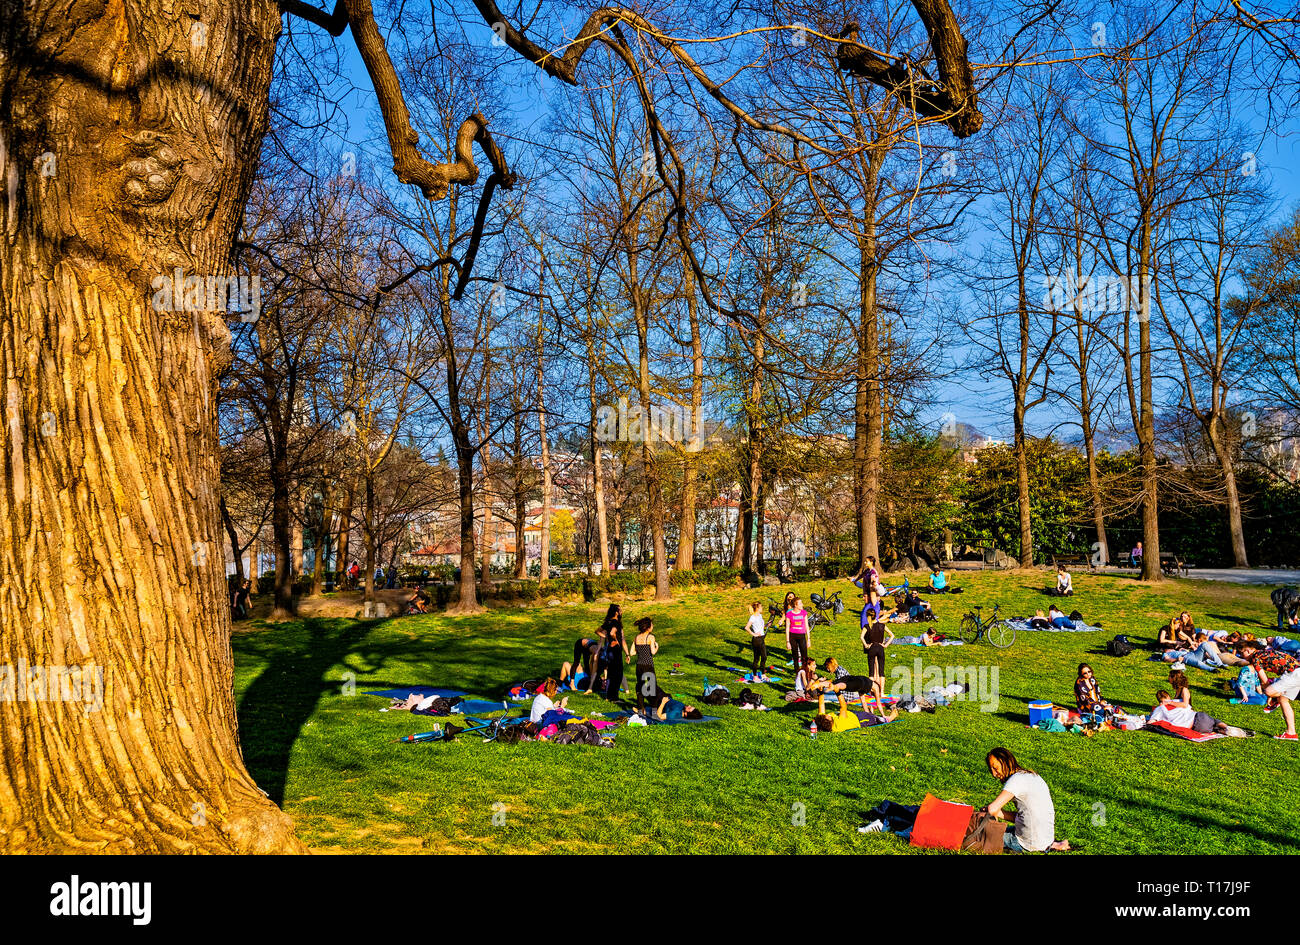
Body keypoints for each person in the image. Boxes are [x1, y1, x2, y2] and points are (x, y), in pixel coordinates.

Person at [982, 748, 1069, 852]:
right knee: (1000, 829)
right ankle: (1053, 845)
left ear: (1006, 762)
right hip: (1045, 838)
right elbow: (1025, 816)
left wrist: (989, 809)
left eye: (995, 768)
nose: (994, 774)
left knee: (984, 835)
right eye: (990, 769)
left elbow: (992, 809)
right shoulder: (1031, 775)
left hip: (1029, 842)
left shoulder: (1015, 780)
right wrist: (999, 812)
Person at [1237, 640, 1300, 740]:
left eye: (1241, 653)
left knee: (1269, 691)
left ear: (1248, 651)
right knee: (1283, 700)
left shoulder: (1255, 657)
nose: (1241, 656)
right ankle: (1291, 733)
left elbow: (1264, 680)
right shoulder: (1263, 653)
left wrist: (1270, 695)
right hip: (1297, 670)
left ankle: (1275, 700)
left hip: (1292, 672)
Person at [812, 691, 897, 733]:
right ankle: (889, 718)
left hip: (852, 714)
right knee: (874, 719)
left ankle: (871, 713)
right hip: (860, 720)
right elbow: (843, 706)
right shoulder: (838, 723)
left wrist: (820, 691)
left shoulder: (823, 720)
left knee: (868, 714)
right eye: (826, 715)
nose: (826, 714)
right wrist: (837, 691)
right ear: (828, 720)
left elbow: (821, 705)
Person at [598, 604, 627, 701]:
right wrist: (615, 639)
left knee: (610, 673)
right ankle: (614, 697)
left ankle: (608, 696)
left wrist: (605, 637)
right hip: (615, 650)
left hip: (609, 650)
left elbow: (597, 631)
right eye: (620, 610)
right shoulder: (616, 622)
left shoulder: (608, 622)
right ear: (616, 612)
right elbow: (612, 633)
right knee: (618, 674)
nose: (621, 611)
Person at [860, 618, 894, 699]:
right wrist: (886, 645)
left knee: (871, 671)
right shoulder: (882, 625)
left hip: (872, 648)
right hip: (880, 648)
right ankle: (881, 692)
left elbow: (861, 637)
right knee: (881, 672)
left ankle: (872, 692)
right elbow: (892, 635)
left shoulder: (867, 626)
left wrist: (866, 645)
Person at [633, 616, 659, 714]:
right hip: (648, 665)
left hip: (639, 666)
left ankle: (640, 710)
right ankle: (654, 713)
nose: (653, 626)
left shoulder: (637, 637)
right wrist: (657, 646)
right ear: (648, 627)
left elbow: (632, 652)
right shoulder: (650, 637)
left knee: (640, 687)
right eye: (652, 624)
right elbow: (653, 652)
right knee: (652, 688)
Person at [745, 601, 768, 682]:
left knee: (764, 656)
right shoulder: (753, 617)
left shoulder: (760, 616)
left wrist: (766, 625)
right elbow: (747, 627)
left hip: (761, 638)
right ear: (757, 608)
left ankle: (763, 674)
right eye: (761, 607)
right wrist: (754, 634)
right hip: (757, 640)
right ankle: (755, 675)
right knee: (757, 658)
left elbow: (759, 626)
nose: (762, 608)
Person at [785, 596, 811, 667]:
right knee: (795, 655)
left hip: (802, 636)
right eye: (800, 603)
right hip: (792, 636)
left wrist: (808, 639)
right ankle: (796, 672)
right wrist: (787, 642)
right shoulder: (789, 614)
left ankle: (805, 671)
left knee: (804, 656)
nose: (802, 604)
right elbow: (787, 628)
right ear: (795, 605)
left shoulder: (804, 613)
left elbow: (807, 626)